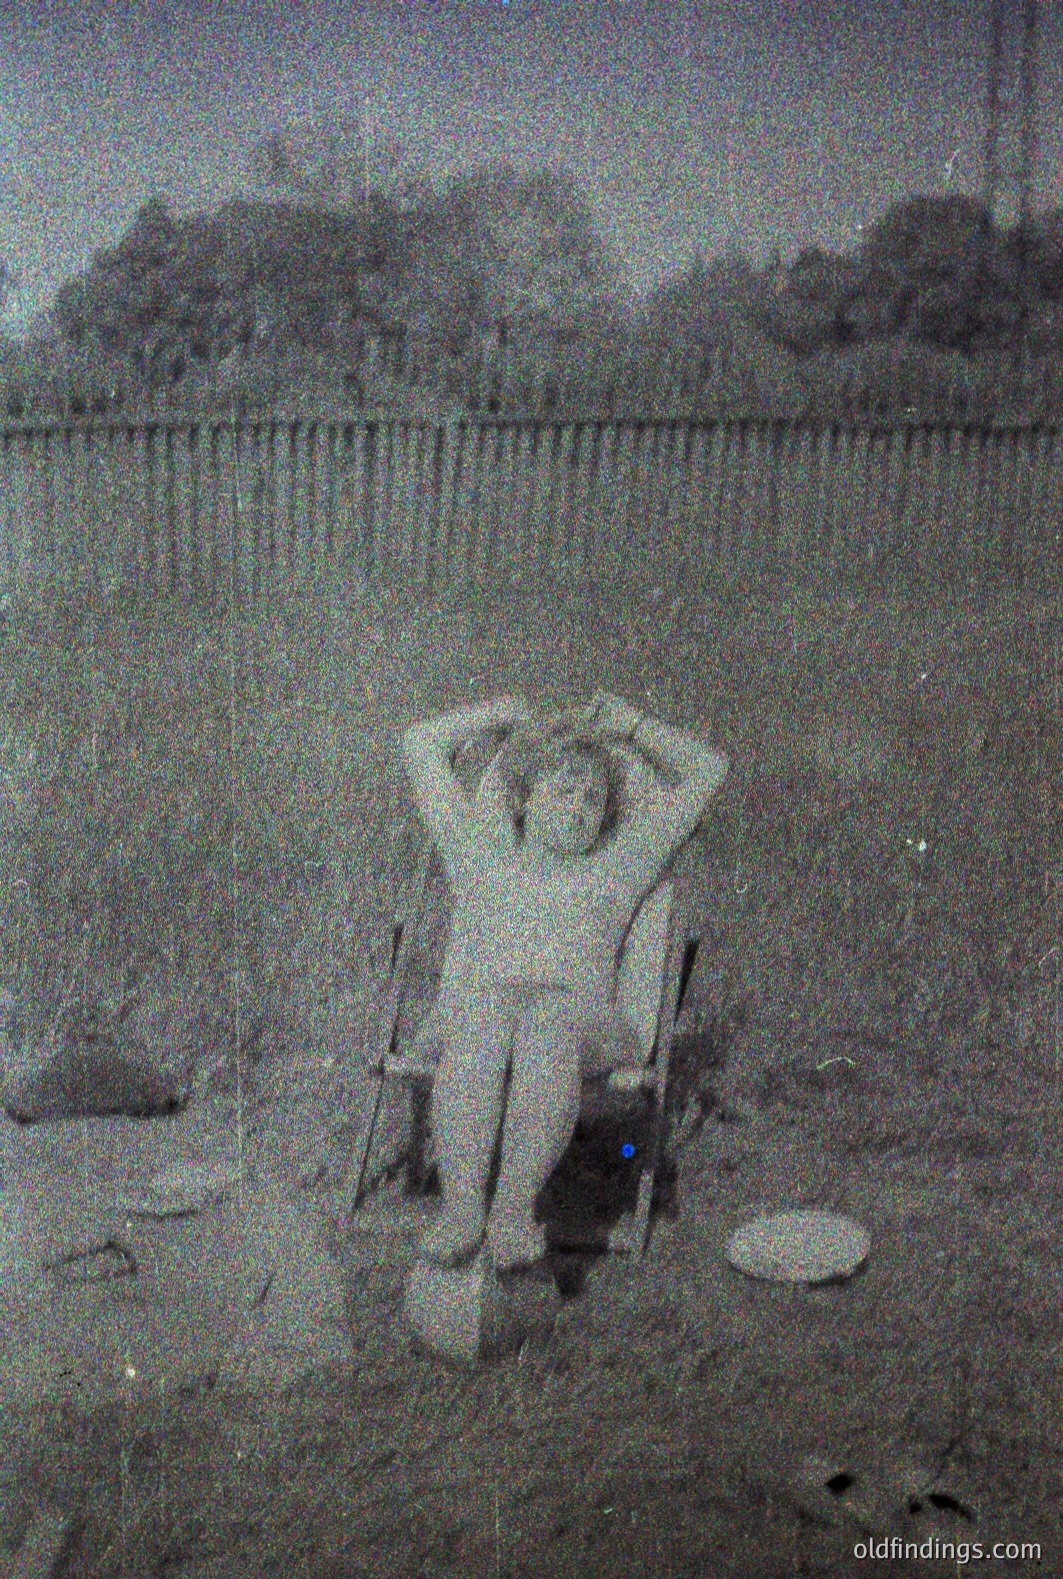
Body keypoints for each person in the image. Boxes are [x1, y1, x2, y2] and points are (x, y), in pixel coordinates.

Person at [400, 691, 728, 1273]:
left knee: (544, 1020)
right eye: (563, 790)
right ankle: (462, 1210)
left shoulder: (618, 865)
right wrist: (496, 714)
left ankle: (512, 1211)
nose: (581, 808)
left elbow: (709, 770)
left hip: (585, 1023)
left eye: (594, 799)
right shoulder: (478, 854)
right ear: (524, 800)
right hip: (486, 1015)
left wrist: (634, 726)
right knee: (485, 1016)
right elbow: (418, 743)